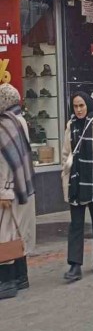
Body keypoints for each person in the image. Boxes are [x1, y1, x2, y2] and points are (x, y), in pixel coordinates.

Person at [61, 92, 93, 282]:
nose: (79, 109)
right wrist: (65, 170)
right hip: (76, 181)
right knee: (76, 224)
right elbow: (66, 152)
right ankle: (75, 265)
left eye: (81, 105)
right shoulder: (70, 126)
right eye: (75, 106)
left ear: (87, 105)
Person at [0, 84, 36, 300]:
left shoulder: (5, 124)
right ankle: (22, 277)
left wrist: (3, 191)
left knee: (6, 235)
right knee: (18, 231)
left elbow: (4, 162)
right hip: (24, 186)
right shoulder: (19, 119)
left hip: (10, 189)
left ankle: (6, 281)